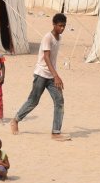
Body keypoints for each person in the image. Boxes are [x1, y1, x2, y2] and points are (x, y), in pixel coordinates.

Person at [11, 13, 70, 141]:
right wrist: (56, 76)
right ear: (54, 24)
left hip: (51, 75)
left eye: (64, 26)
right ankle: (15, 120)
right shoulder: (47, 38)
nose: (62, 28)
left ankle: (56, 132)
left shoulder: (59, 38)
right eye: (60, 26)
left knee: (59, 101)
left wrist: (55, 76)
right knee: (33, 101)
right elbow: (46, 57)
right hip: (41, 74)